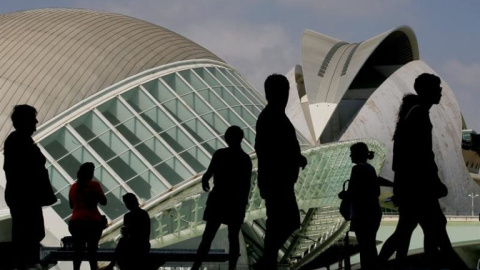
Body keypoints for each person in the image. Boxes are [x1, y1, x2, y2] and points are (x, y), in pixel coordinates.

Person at [387, 73, 466, 269]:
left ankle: (381, 264)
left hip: (411, 186)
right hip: (420, 187)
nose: (440, 91)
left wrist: (400, 186)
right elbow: (422, 154)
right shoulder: (419, 114)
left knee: (409, 230)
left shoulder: (412, 112)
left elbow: (401, 156)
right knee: (436, 228)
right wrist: (434, 181)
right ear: (426, 90)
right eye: (437, 88)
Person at [254, 74, 307, 270]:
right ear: (273, 94)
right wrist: (294, 158)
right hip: (277, 181)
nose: (286, 96)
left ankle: (268, 260)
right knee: (287, 221)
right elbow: (268, 149)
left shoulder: (273, 115)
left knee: (279, 222)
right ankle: (267, 260)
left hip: (278, 180)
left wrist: (296, 157)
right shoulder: (271, 116)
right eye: (283, 92)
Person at [3, 104, 57, 270]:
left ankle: (26, 262)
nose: (36, 121)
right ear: (25, 121)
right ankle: (25, 262)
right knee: (30, 232)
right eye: (33, 118)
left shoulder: (17, 140)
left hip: (23, 196)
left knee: (30, 232)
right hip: (25, 197)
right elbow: (28, 169)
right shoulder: (19, 141)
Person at [192, 126, 252, 270]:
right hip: (236, 203)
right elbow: (246, 185)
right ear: (241, 138)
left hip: (218, 199)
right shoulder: (245, 159)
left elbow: (207, 175)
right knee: (233, 238)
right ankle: (232, 268)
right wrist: (243, 202)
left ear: (227, 138)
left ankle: (196, 266)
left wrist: (206, 182)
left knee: (208, 236)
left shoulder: (220, 154)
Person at [345, 142, 381, 270]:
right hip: (374, 212)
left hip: (362, 214)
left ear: (357, 154)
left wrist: (344, 196)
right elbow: (377, 191)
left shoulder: (357, 169)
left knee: (365, 248)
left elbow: (352, 192)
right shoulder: (370, 168)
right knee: (370, 246)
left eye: (352, 153)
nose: (350, 156)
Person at [69, 162, 107, 270]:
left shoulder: (73, 187)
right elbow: (104, 202)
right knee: (92, 252)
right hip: (93, 222)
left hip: (76, 222)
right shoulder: (95, 185)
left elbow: (71, 205)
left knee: (78, 252)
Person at [106, 193, 151, 270]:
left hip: (132, 245)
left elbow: (127, 235)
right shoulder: (144, 214)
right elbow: (146, 232)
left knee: (122, 241)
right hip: (143, 245)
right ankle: (112, 264)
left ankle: (112, 264)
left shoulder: (127, 216)